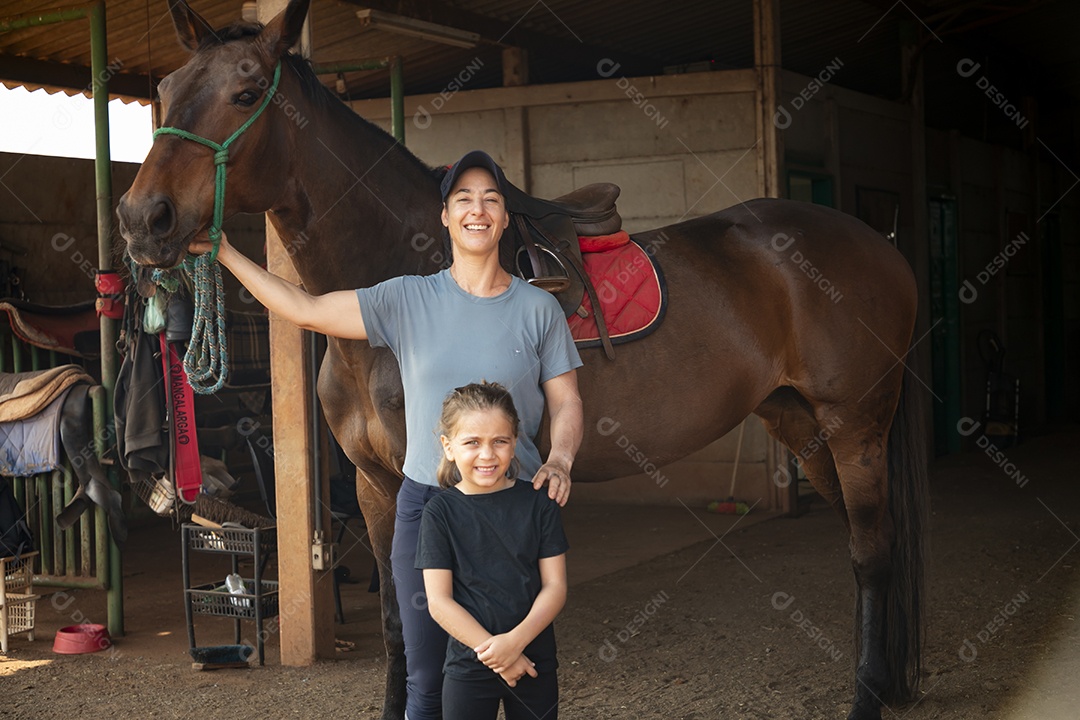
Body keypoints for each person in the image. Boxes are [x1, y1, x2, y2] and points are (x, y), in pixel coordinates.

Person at [189, 150, 583, 720]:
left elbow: (566, 398)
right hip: (427, 507)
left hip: (513, 509)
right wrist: (227, 253)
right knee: (424, 678)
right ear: (444, 218)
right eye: (464, 200)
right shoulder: (407, 299)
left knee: (524, 669)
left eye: (491, 200)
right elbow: (308, 308)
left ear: (504, 218)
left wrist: (563, 458)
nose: (478, 210)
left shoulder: (538, 308)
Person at [417, 382, 566, 720]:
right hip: (469, 664)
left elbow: (555, 586)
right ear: (449, 446)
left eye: (500, 441)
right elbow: (439, 602)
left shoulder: (539, 504)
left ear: (515, 445)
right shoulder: (440, 512)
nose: (487, 454)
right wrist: (497, 654)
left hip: (533, 660)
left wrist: (514, 645)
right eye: (472, 442)